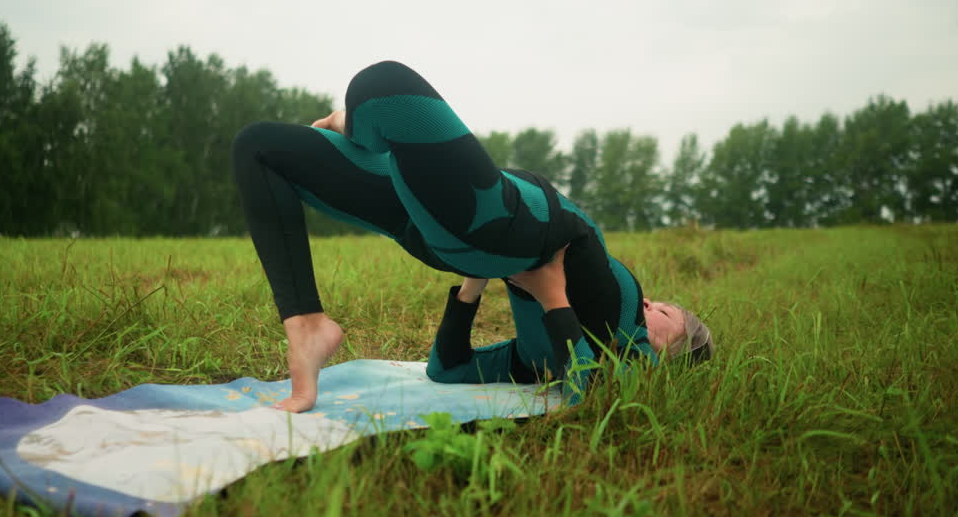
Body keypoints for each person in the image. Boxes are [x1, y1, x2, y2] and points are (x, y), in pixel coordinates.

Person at [232, 60, 712, 412]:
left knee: (382, 86)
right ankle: (307, 322)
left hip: (493, 232)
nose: (651, 305)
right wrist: (475, 281)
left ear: (672, 354)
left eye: (666, 313)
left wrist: (552, 301)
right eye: (658, 303)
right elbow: (454, 370)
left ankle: (358, 127)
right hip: (490, 217)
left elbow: (451, 369)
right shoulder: (600, 319)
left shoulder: (615, 353)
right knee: (258, 147)